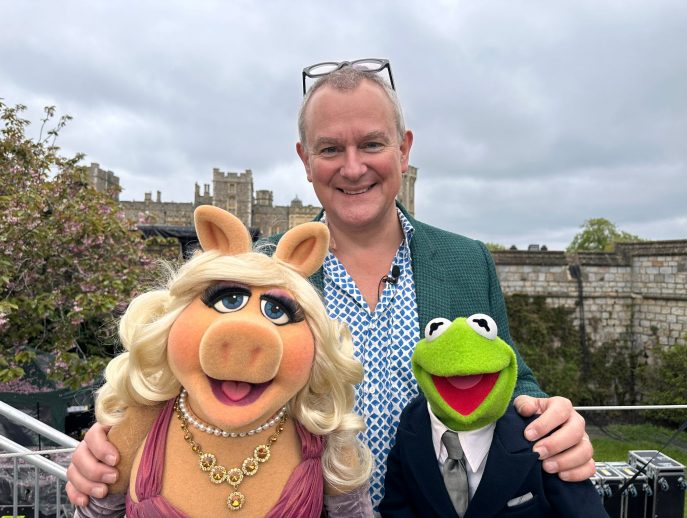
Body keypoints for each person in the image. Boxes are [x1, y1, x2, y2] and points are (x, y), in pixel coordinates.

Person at [66, 60, 594, 511]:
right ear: (305, 160)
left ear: (404, 150)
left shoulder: (464, 261)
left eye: (372, 144)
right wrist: (109, 449)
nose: (353, 167)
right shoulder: (260, 270)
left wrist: (552, 419)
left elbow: (509, 381)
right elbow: (187, 385)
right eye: (330, 149)